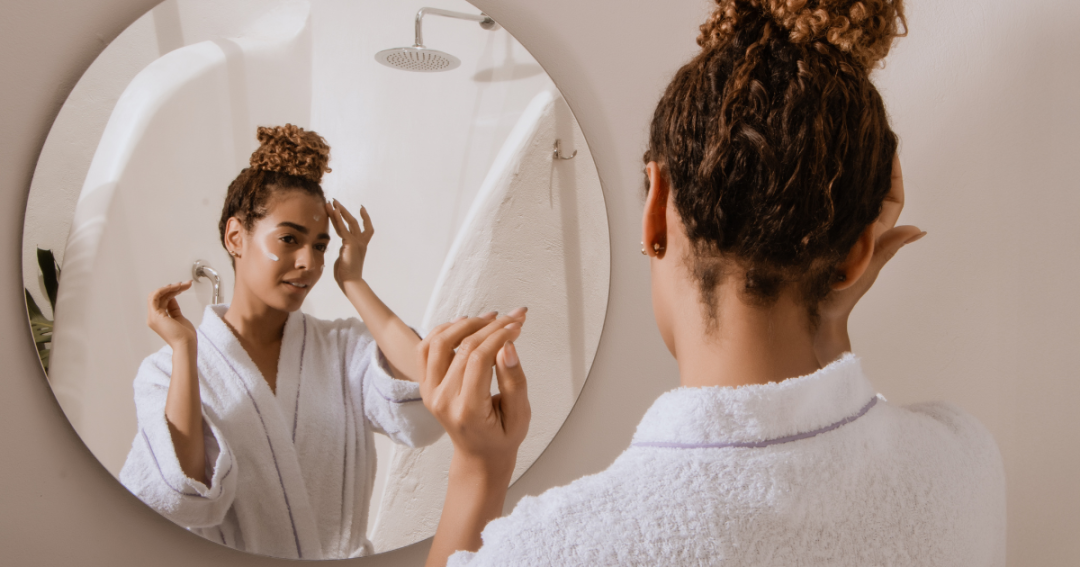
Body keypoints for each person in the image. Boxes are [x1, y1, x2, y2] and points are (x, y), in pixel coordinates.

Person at [417, 0, 1006, 565]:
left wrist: (478, 470)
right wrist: (827, 320)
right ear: (855, 256)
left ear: (657, 207)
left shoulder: (553, 551)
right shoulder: (962, 465)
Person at [119, 124, 446, 559]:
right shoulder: (165, 371)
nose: (308, 262)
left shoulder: (342, 348)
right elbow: (183, 495)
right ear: (236, 237)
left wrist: (353, 282)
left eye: (320, 245)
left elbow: (429, 406)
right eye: (290, 239)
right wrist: (184, 349)